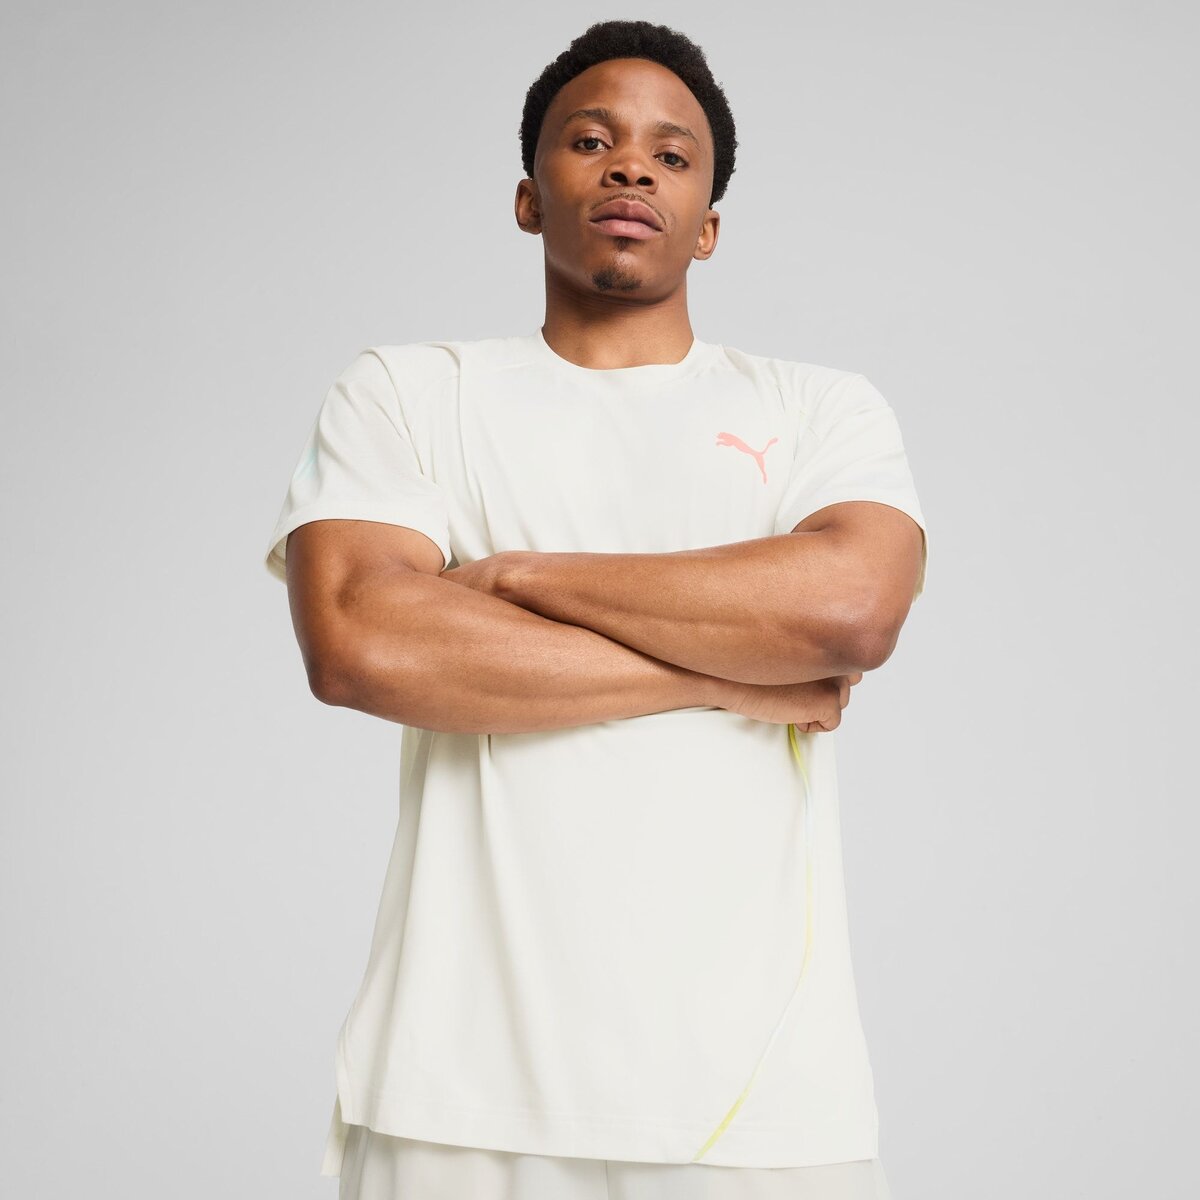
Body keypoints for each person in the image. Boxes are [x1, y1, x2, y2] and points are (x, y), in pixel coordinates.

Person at [264, 19, 928, 1200]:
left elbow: (852, 609)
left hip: (762, 1102)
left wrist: (518, 578)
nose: (632, 167)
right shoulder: (409, 393)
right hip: (455, 1093)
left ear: (709, 224)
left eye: (673, 155)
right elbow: (361, 639)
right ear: (528, 199)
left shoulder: (819, 411)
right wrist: (722, 671)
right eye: (590, 141)